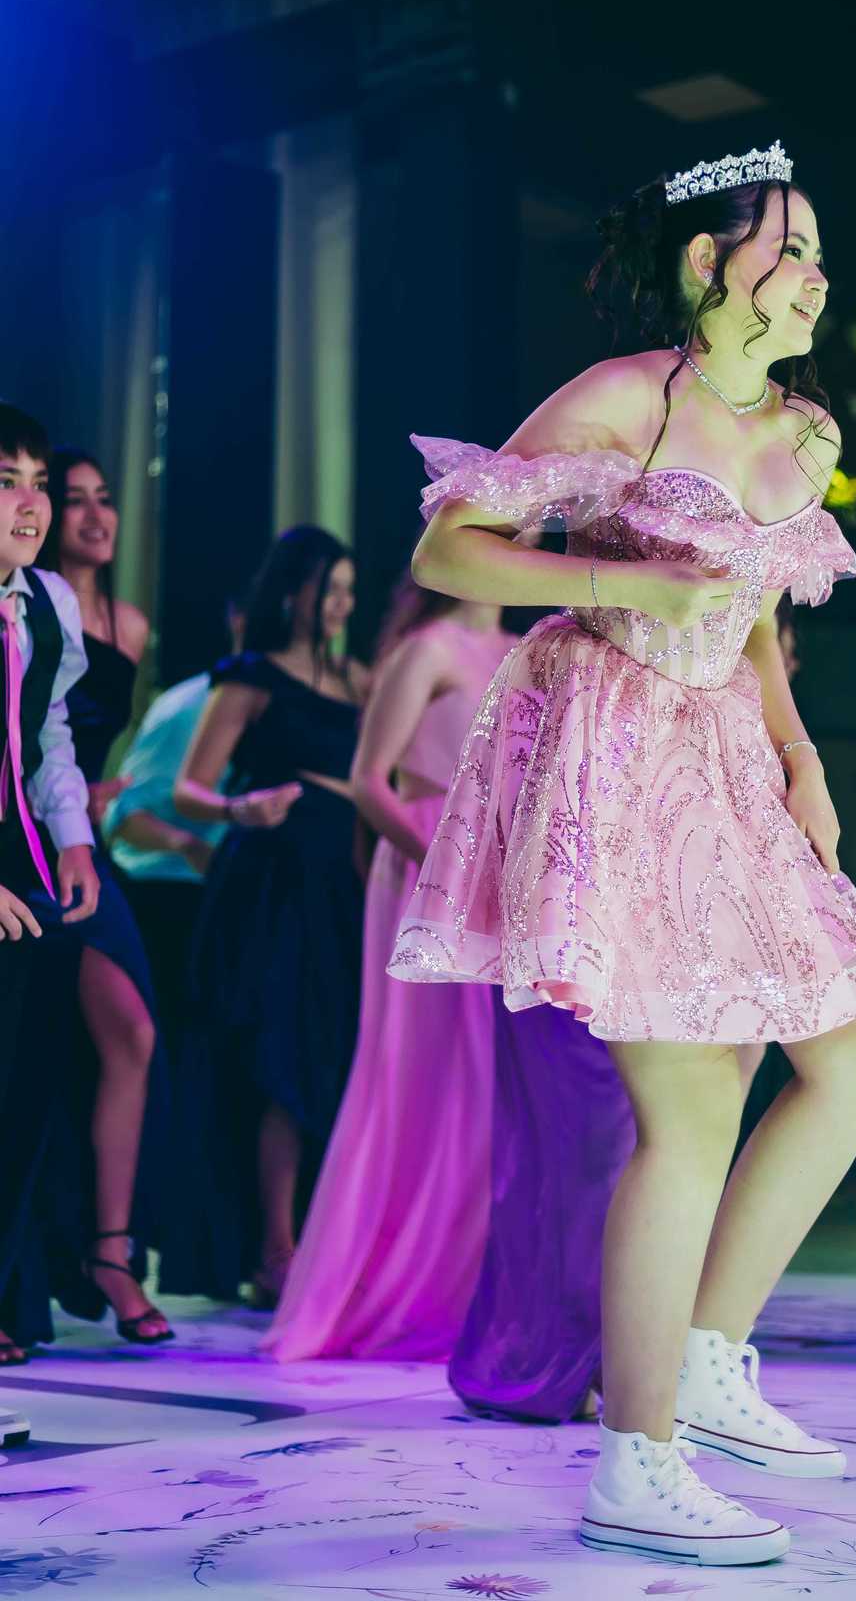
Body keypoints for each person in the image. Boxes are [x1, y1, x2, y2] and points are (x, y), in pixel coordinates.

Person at [389, 140, 856, 1566]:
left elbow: (758, 616)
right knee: (690, 1111)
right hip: (612, 738)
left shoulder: (806, 436)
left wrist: (801, 757)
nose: (815, 277)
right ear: (706, 263)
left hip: (727, 752)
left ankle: (709, 1355)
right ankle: (637, 1456)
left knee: (855, 1051)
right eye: (789, 248)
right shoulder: (623, 399)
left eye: (819, 253)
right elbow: (451, 550)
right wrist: (620, 574)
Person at [265, 576, 515, 1361]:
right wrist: (448, 867)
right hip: (430, 864)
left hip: (504, 871)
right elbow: (370, 781)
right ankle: (402, 1287)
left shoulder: (522, 648)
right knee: (426, 1076)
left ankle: (476, 1285)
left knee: (493, 1081)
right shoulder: (425, 650)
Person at [168, 526, 367, 1306]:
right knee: (282, 1056)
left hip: (342, 887)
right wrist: (238, 808)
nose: (342, 604)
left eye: (350, 590)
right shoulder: (250, 676)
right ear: (294, 591)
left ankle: (325, 1244)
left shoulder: (360, 680)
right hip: (271, 886)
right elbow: (187, 790)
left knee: (334, 1057)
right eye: (329, 589)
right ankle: (276, 1250)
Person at [30, 447, 171, 1346]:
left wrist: (102, 794)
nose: (92, 515)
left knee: (132, 1034)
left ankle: (111, 1250)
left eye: (103, 499)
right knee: (38, 1048)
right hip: (27, 829)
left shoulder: (130, 623)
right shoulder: (27, 601)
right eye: (71, 498)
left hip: (79, 836)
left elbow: (79, 741)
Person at [0, 402, 100, 1391]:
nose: (30, 506)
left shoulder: (47, 601)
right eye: (6, 483)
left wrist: (73, 838)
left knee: (27, 1086)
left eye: (37, 484)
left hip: (23, 853)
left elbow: (49, 732)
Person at [105, 601, 243, 1059]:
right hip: (174, 898)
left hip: (242, 902)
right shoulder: (187, 706)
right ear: (239, 620)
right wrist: (187, 845)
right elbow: (123, 815)